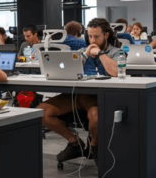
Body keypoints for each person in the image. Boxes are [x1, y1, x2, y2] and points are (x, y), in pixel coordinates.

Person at [37, 18, 120, 164]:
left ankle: (93, 146)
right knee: (41, 111)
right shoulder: (82, 51)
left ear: (106, 35)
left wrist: (100, 53)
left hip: (98, 97)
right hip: (77, 96)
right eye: (90, 36)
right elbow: (68, 69)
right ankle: (75, 143)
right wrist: (86, 54)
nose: (92, 40)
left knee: (95, 116)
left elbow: (116, 72)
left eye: (96, 36)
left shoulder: (116, 52)